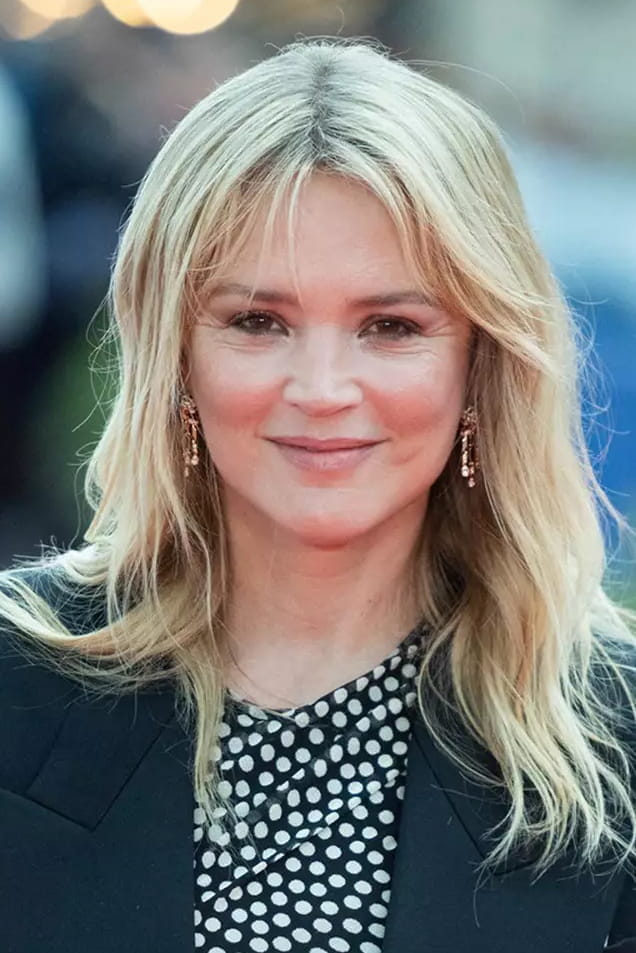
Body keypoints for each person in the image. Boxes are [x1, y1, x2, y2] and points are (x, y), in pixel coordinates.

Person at [0, 37, 635, 953]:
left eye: (391, 326)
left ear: (480, 362)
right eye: (259, 321)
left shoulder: (613, 742)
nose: (323, 388)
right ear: (177, 356)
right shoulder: (16, 682)